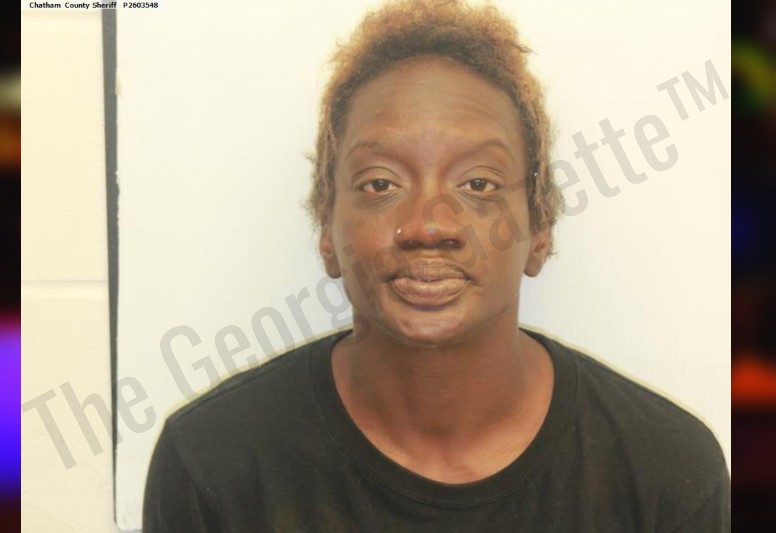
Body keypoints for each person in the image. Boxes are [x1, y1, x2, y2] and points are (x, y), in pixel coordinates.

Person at [142, 1, 730, 531]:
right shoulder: (214, 466)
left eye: (479, 183)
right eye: (380, 183)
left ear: (539, 229)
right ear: (326, 230)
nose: (428, 226)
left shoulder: (665, 472)